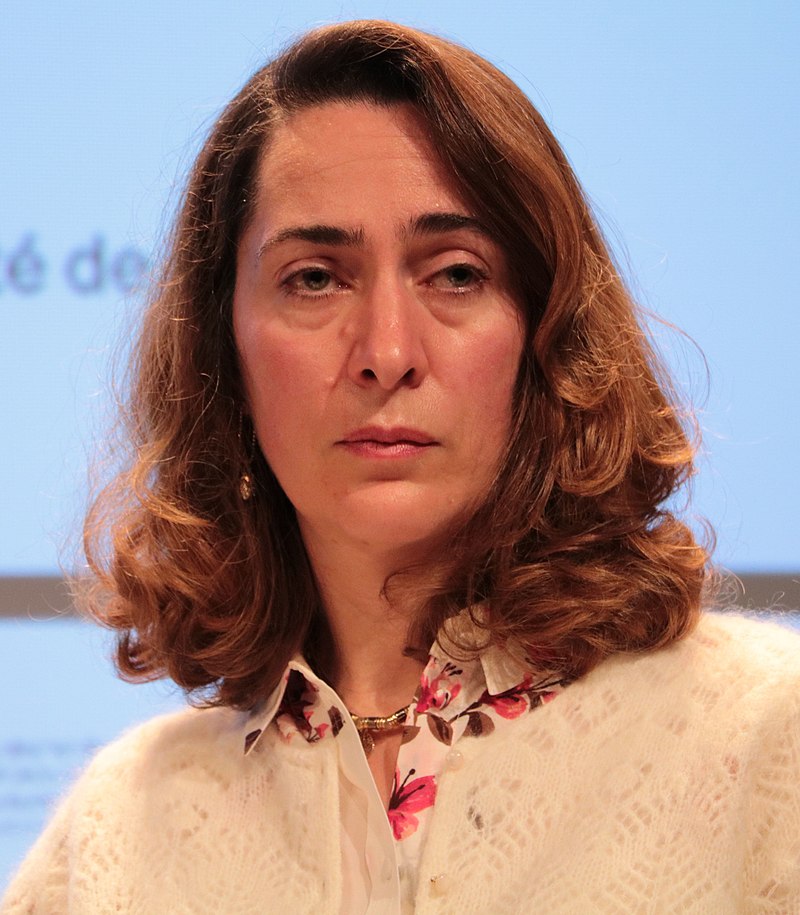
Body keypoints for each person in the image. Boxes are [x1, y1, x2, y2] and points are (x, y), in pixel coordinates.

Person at [3, 19, 799, 915]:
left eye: (455, 274)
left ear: (545, 332)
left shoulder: (767, 740)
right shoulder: (115, 837)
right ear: (225, 352)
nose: (386, 353)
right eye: (315, 278)